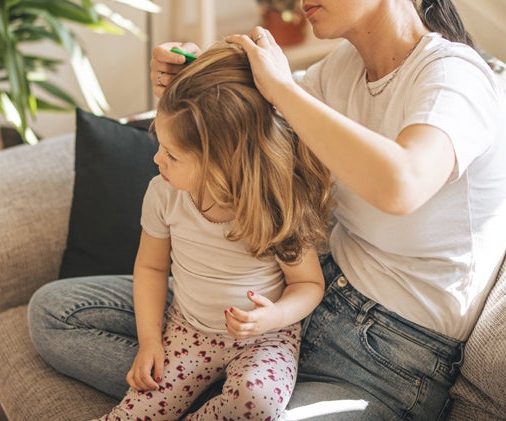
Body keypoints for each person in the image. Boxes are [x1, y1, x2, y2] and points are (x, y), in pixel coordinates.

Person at [30, 0, 506, 420]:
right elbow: (237, 125)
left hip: (383, 356)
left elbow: (400, 183)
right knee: (55, 312)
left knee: (257, 409)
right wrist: (184, 78)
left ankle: (218, 396)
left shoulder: (454, 77)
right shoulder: (342, 70)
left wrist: (283, 90)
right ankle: (202, 385)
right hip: (285, 303)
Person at [39, 43, 335, 420]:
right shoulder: (163, 195)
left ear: (222, 164)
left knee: (257, 402)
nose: (156, 159)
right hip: (188, 330)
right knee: (136, 411)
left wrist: (273, 317)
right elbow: (150, 269)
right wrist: (150, 342)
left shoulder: (273, 205)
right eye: (160, 145)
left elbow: (308, 285)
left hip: (265, 339)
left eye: (172, 154)